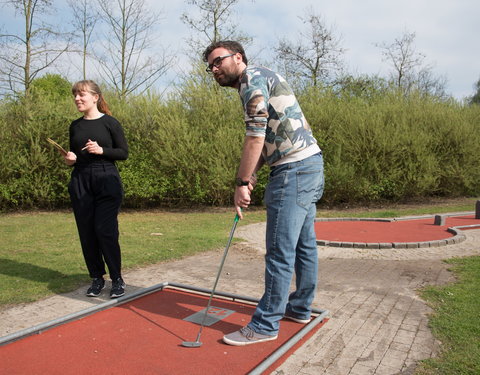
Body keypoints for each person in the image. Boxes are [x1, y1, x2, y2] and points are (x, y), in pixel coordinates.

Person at [203, 41, 324, 346]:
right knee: (304, 245)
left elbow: (254, 136)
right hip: (309, 164)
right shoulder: (261, 75)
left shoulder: (250, 81)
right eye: (211, 66)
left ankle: (265, 324)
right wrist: (252, 176)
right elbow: (266, 136)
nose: (215, 69)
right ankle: (299, 308)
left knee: (280, 251)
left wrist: (242, 182)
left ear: (238, 57)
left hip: (293, 171)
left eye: (219, 61)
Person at [62, 80, 128, 299]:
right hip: (80, 179)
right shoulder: (75, 126)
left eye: (81, 95)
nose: (77, 99)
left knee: (105, 230)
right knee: (87, 232)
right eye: (75, 95)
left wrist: (101, 150)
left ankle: (117, 278)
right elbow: (74, 155)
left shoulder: (110, 123)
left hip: (106, 177)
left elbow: (123, 153)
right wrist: (70, 160)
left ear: (95, 97)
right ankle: (97, 278)